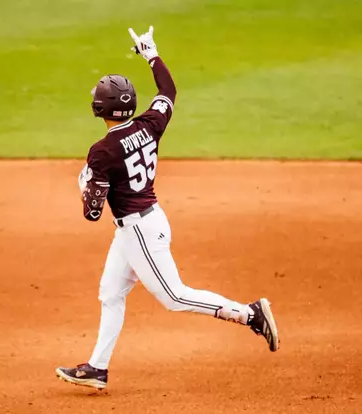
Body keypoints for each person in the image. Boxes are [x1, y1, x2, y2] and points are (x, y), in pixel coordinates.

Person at [55, 26, 279, 391]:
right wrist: (151, 53)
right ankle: (98, 367)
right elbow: (168, 92)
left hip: (139, 230)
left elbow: (92, 212)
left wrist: (84, 184)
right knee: (111, 293)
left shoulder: (103, 151)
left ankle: (249, 314)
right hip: (145, 222)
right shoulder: (150, 123)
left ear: (100, 108)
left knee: (174, 296)